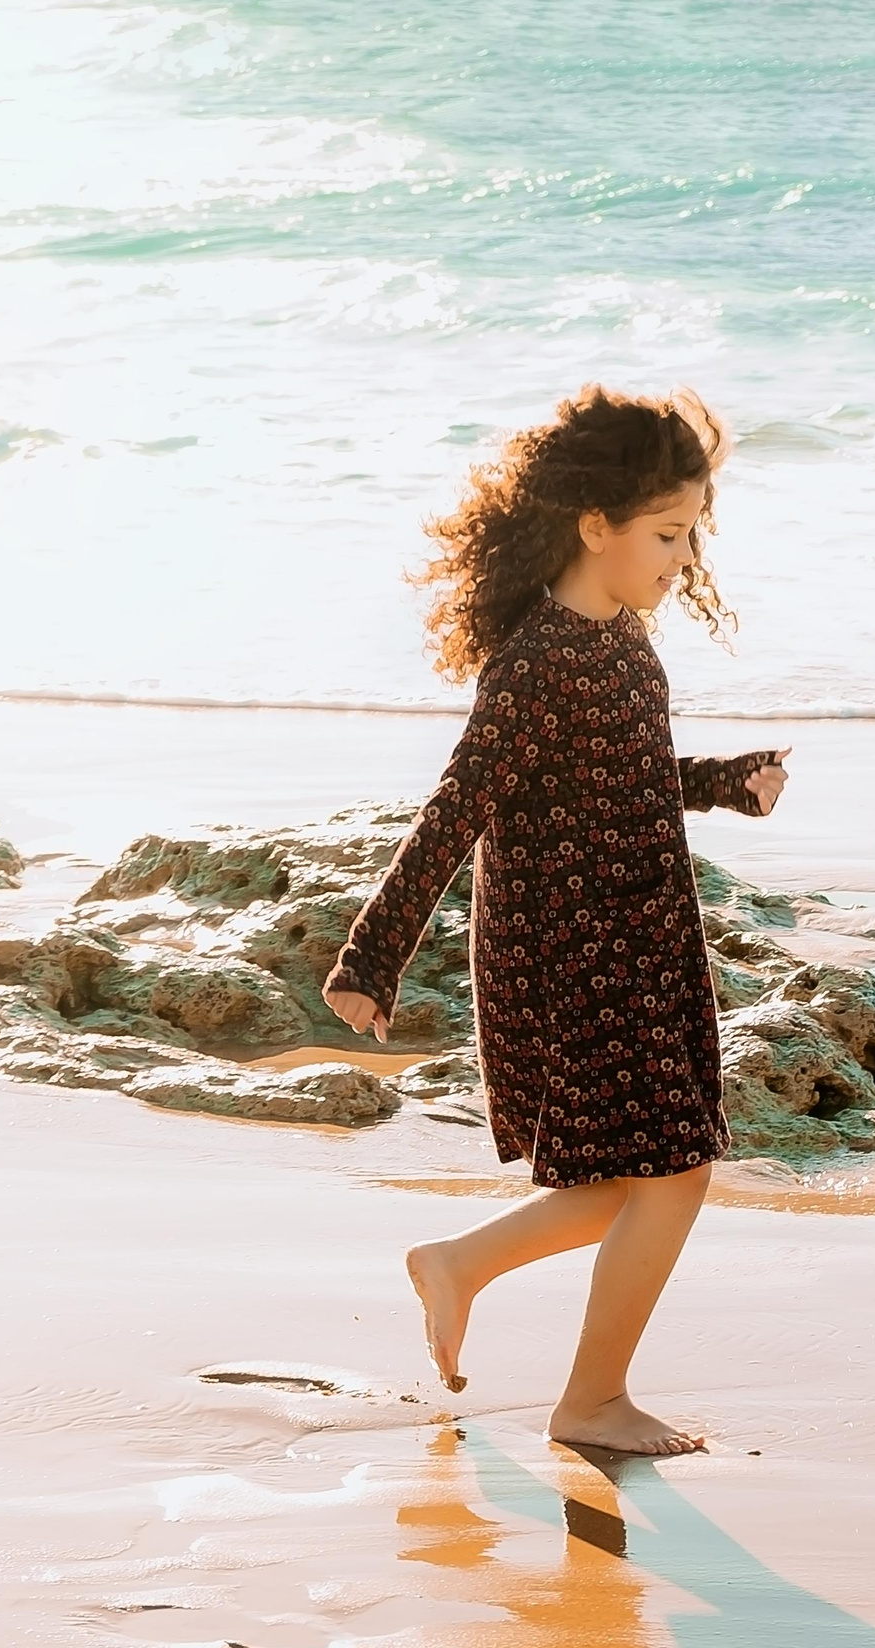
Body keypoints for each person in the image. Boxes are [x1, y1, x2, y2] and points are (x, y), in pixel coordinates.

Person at [322, 384, 786, 1456]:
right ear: (596, 524)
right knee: (672, 1172)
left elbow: (616, 778)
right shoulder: (536, 663)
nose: (680, 559)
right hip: (578, 947)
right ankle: (590, 1402)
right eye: (667, 534)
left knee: (636, 1175)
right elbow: (456, 810)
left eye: (688, 536)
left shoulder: (618, 636)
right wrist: (371, 956)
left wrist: (722, 782)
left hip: (642, 934)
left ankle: (458, 1265)